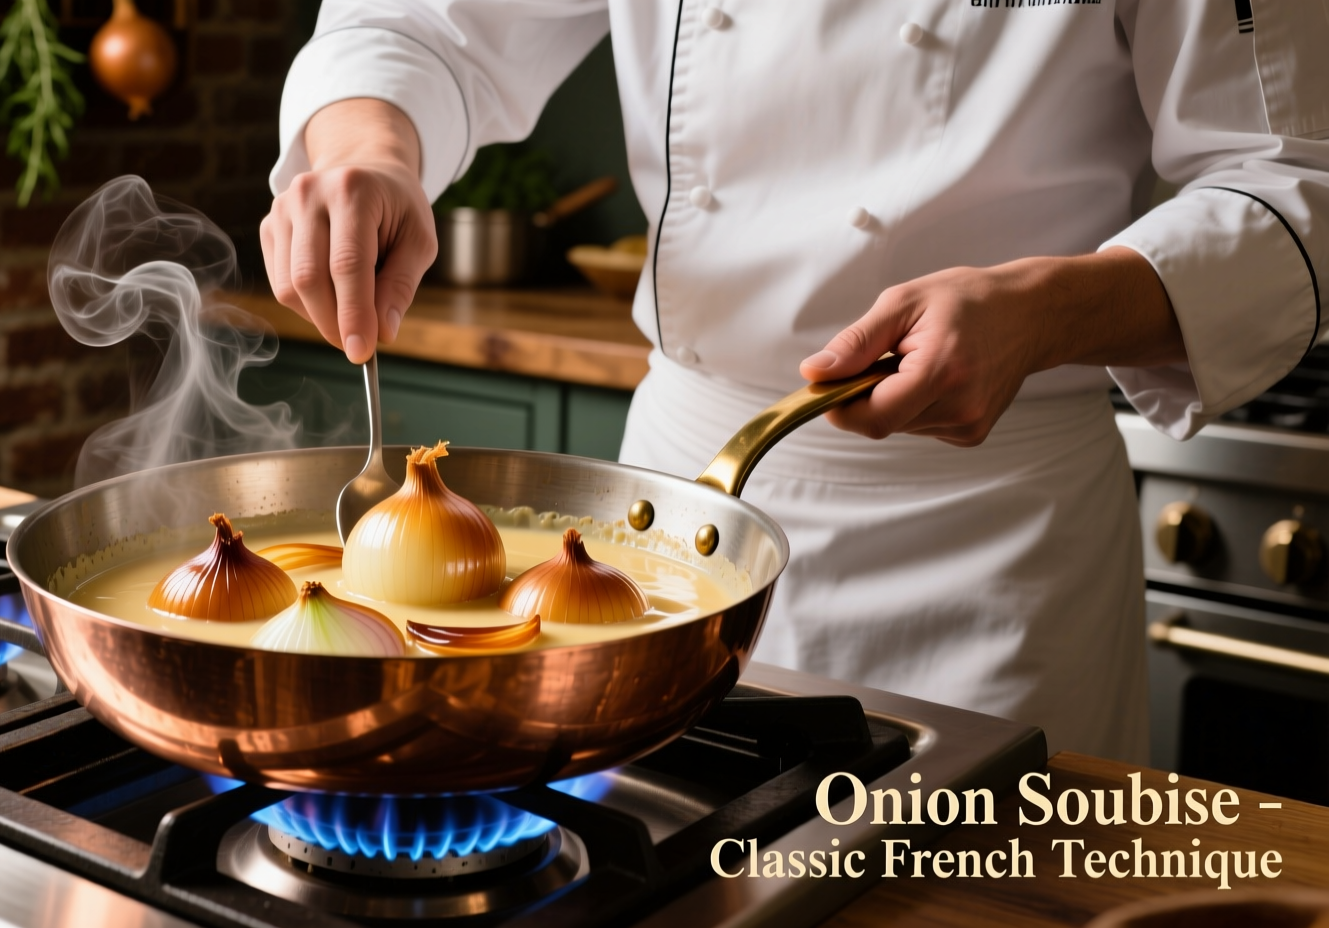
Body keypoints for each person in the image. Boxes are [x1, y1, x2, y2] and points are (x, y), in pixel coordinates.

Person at [258, 1, 1329, 762]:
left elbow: (1291, 183)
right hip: (658, 535)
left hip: (989, 551)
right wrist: (372, 149)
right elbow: (418, 25)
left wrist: (1047, 308)